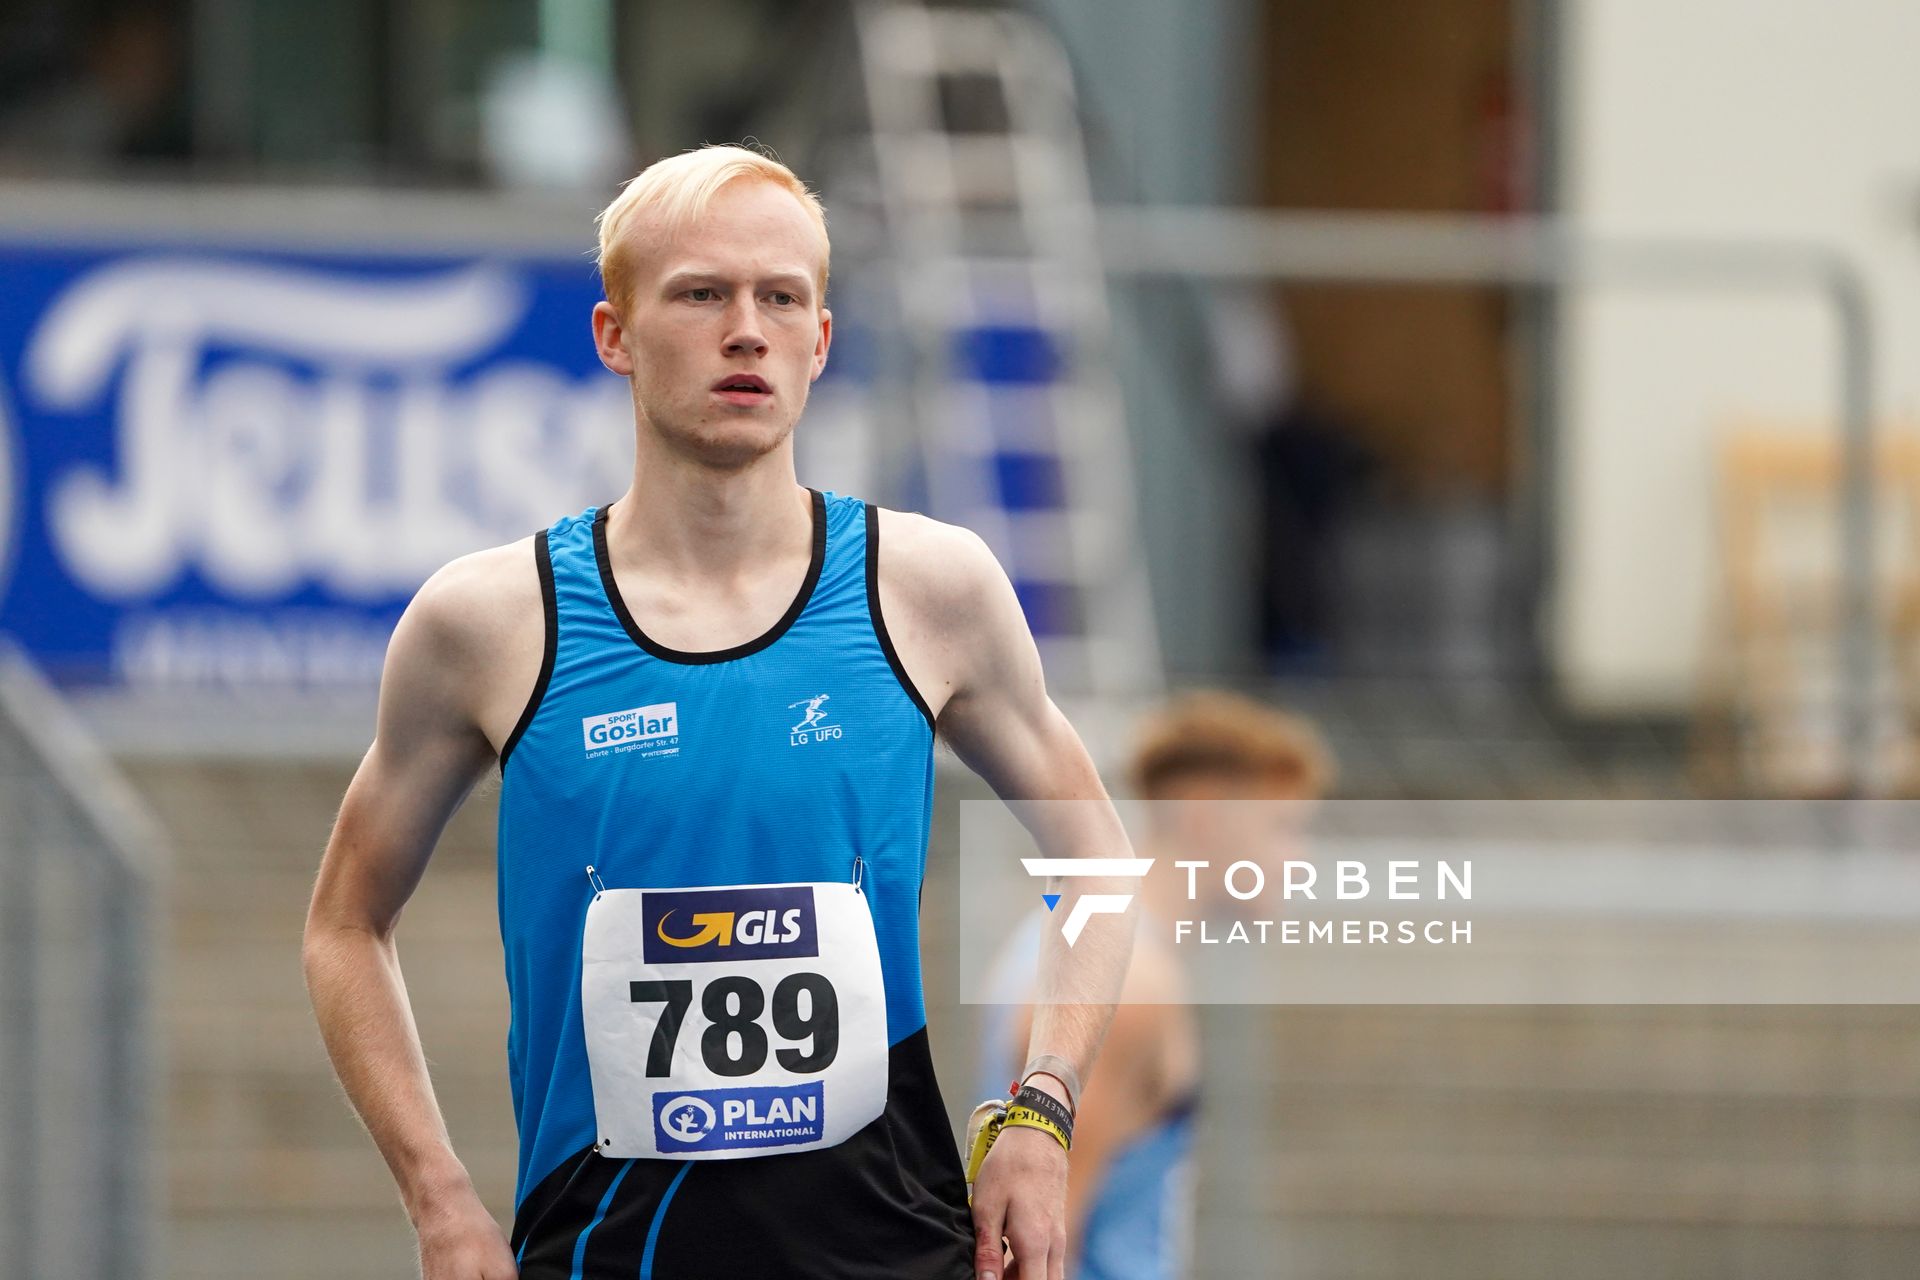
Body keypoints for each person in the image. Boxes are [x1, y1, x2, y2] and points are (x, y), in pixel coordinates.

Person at [302, 143, 1136, 1280]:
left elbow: (1097, 863)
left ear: (821, 342)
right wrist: (438, 1198)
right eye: (701, 293)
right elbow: (344, 926)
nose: (746, 329)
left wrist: (1041, 1117)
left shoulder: (930, 587)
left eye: (781, 298)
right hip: (606, 1248)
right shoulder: (490, 621)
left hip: (893, 1248)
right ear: (615, 334)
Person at [976, 690, 1333, 1279]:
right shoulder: (1131, 983)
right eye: (1282, 828)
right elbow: (1037, 1249)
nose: (1300, 861)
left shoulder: (1086, 944)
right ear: (1204, 815)